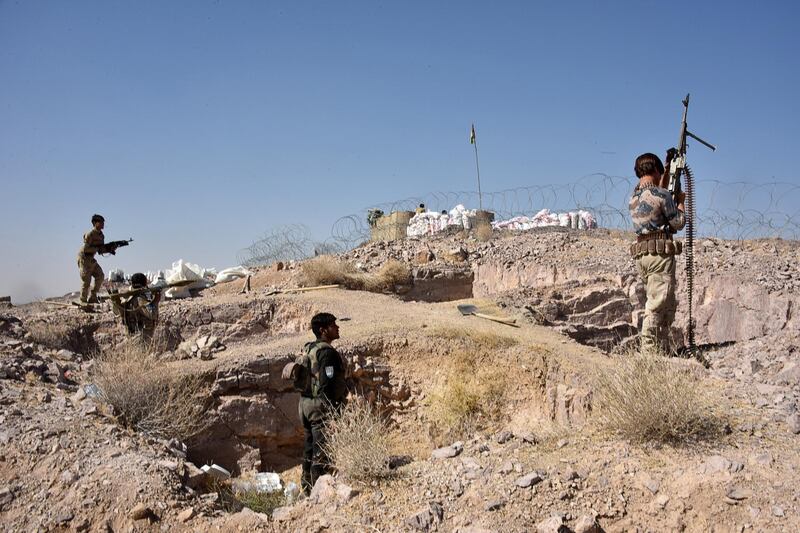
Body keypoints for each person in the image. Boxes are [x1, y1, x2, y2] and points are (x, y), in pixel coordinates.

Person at [629, 153, 686, 355]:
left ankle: (660, 350)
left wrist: (668, 169)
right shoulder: (663, 196)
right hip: (659, 256)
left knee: (660, 303)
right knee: (657, 304)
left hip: (643, 256)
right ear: (655, 170)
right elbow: (678, 223)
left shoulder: (634, 197)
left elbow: (653, 191)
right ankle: (649, 354)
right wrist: (680, 201)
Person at [298, 312, 347, 495]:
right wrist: (333, 411)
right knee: (321, 449)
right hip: (319, 406)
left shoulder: (309, 348)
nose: (337, 327)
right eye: (333, 325)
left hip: (304, 405)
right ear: (323, 330)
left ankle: (307, 487)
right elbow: (327, 383)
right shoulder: (327, 353)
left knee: (309, 447)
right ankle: (319, 492)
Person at [109, 272, 161, 343]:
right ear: (144, 283)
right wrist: (156, 301)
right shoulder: (140, 299)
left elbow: (117, 312)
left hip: (132, 335)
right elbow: (153, 314)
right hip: (142, 337)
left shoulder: (128, 298)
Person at [77, 214, 108, 304]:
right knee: (86, 280)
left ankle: (93, 297)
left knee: (100, 276)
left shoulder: (101, 236)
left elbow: (100, 250)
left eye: (103, 222)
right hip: (84, 258)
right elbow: (85, 249)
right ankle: (83, 301)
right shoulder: (90, 234)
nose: (103, 224)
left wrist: (110, 249)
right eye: (101, 222)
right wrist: (97, 249)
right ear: (95, 223)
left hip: (91, 258)